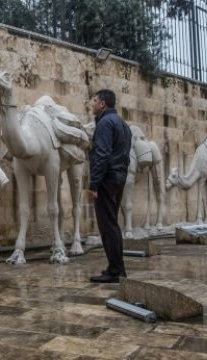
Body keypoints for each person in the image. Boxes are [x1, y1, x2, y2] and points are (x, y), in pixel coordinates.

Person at [87, 89, 131, 283]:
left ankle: (115, 270)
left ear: (102, 103)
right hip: (119, 176)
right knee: (112, 224)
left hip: (107, 178)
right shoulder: (123, 124)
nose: (91, 104)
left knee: (107, 225)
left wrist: (93, 184)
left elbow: (102, 155)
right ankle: (117, 268)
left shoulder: (105, 123)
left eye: (94, 100)